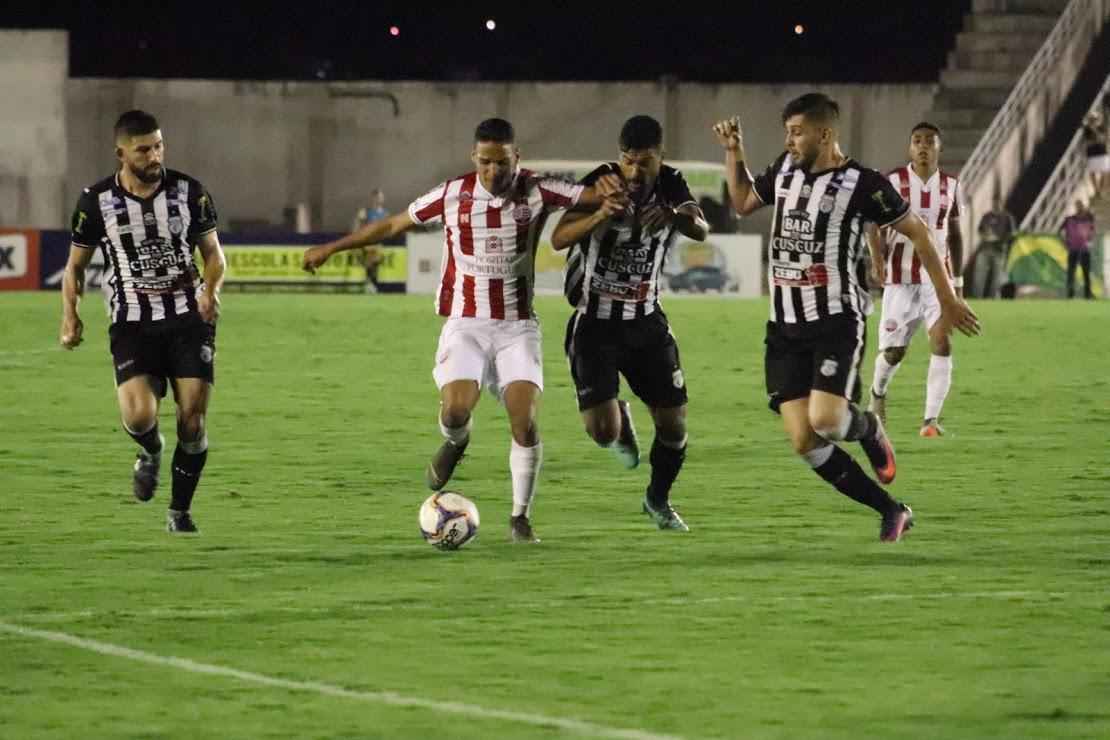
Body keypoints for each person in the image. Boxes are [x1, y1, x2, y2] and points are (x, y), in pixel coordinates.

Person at [302, 118, 619, 543]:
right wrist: (331, 247)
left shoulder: (538, 189)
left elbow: (593, 193)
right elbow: (394, 225)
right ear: (475, 158)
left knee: (524, 422)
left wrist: (618, 189)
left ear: (516, 157)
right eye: (486, 162)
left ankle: (520, 517)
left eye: (502, 162)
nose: (494, 171)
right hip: (466, 322)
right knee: (454, 411)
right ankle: (456, 441)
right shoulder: (452, 194)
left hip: (516, 326)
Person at [711, 93, 980, 543]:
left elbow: (919, 232)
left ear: (825, 133)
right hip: (784, 325)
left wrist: (948, 297)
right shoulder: (784, 169)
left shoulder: (863, 183)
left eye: (797, 133)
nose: (790, 141)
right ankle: (891, 509)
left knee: (829, 421)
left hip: (836, 318)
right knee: (803, 439)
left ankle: (868, 427)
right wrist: (733, 151)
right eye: (787, 134)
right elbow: (740, 201)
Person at [59, 109, 226, 534]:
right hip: (132, 321)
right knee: (137, 417)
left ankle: (179, 512)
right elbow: (75, 267)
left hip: (189, 317)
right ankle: (150, 451)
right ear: (121, 153)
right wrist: (70, 315)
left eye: (158, 146)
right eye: (143, 150)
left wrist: (211, 291)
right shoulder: (95, 202)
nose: (155, 156)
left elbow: (214, 256)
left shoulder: (190, 192)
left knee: (193, 418)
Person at [551, 115, 709, 532]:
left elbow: (701, 227)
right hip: (595, 324)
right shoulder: (601, 182)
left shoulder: (671, 184)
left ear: (661, 157)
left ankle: (657, 499)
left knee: (674, 426)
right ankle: (616, 418)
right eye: (629, 161)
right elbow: (559, 237)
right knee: (604, 433)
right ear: (619, 158)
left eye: (646, 162)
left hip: (646, 322)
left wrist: (674, 216)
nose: (636, 171)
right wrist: (600, 213)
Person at [867, 122, 964, 438]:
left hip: (938, 280)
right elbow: (873, 224)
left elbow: (957, 233)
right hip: (900, 276)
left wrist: (957, 284)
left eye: (929, 141)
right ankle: (878, 393)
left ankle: (930, 422)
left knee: (942, 341)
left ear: (939, 147)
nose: (923, 146)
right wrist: (878, 259)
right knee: (894, 351)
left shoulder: (952, 184)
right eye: (917, 141)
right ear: (910, 147)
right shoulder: (892, 181)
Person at [973, 196, 1016, 298]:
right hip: (985, 249)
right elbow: (980, 230)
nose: (995, 205)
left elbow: (1012, 234)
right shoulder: (987, 216)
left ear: (1002, 203)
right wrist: (986, 236)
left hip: (999, 251)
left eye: (998, 203)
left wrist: (998, 238)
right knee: (979, 276)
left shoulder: (1007, 217)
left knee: (996, 278)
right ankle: (976, 297)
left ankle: (993, 299)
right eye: (994, 203)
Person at [353, 188, 389, 293]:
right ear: (374, 198)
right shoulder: (367, 211)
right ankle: (370, 284)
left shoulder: (385, 213)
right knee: (370, 263)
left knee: (376, 264)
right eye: (379, 197)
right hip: (369, 241)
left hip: (379, 241)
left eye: (382, 197)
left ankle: (371, 283)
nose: (381, 199)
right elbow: (358, 224)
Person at [1061, 199, 1095, 299]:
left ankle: (1087, 294)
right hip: (1073, 249)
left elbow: (1092, 231)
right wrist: (1065, 242)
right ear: (1076, 207)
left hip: (1084, 249)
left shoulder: (1089, 218)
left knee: (1086, 273)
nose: (1079, 208)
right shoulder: (1069, 219)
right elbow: (1061, 231)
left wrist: (1090, 240)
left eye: (1080, 206)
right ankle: (1070, 293)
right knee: (1071, 272)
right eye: (1077, 206)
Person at [1082, 112, 1109, 199]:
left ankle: (1102, 190)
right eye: (1091, 119)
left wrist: (1094, 130)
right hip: (1092, 153)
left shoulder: (1102, 128)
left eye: (1094, 119)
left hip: (1102, 152)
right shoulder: (1087, 129)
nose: (1093, 121)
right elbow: (1087, 142)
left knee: (1105, 172)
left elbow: (1102, 138)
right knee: (1092, 172)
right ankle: (1097, 190)